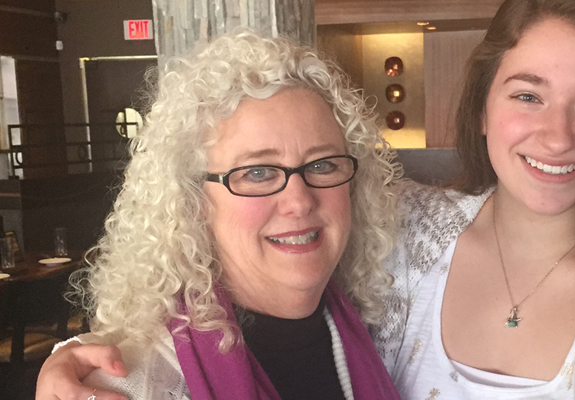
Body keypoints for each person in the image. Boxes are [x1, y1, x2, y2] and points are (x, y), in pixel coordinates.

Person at [38, 0, 575, 399]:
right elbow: (219, 282)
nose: (557, 132)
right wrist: (80, 360)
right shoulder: (410, 237)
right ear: (482, 108)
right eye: (527, 94)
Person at [36, 29, 402, 400]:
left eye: (322, 165)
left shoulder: (376, 334)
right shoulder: (135, 384)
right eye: (257, 172)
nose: (299, 200)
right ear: (193, 201)